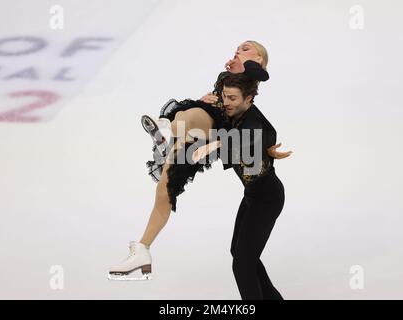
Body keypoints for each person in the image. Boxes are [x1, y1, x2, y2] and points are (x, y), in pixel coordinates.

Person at [108, 41, 289, 281]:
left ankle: (169, 133)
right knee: (166, 187)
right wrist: (212, 95)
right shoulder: (226, 77)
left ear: (257, 60)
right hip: (200, 133)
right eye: (237, 48)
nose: (237, 50)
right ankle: (143, 249)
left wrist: (244, 67)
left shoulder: (252, 81)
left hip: (219, 132)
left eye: (245, 48)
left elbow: (259, 89)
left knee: (192, 115)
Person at [192, 72, 293, 299]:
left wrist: (215, 144)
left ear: (249, 100)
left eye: (233, 98)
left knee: (242, 265)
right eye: (225, 96)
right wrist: (204, 101)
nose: (226, 103)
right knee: (239, 254)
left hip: (268, 198)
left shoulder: (253, 123)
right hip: (253, 196)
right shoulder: (232, 109)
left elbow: (247, 138)